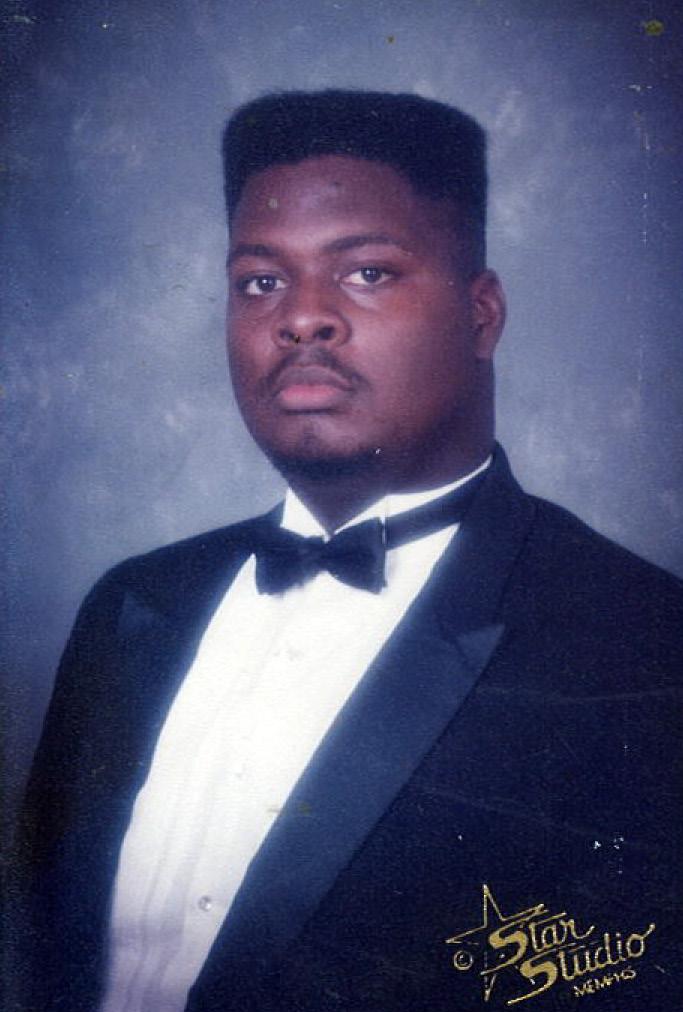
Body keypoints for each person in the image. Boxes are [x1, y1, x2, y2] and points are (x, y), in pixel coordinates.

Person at [13, 90, 683, 1012]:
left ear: (481, 313)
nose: (302, 319)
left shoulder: (639, 646)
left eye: (366, 272)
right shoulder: (133, 605)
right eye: (260, 281)